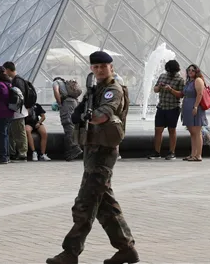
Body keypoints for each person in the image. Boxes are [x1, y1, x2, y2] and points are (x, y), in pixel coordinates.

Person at [46, 51, 138, 264]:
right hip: (93, 149)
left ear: (111, 67)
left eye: (103, 67)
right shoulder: (94, 89)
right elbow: (80, 112)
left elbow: (105, 113)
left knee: (85, 204)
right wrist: (79, 112)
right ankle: (126, 249)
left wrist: (89, 116)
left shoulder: (112, 90)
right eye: (95, 67)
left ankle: (70, 252)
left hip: (103, 152)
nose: (99, 70)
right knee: (105, 204)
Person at [148, 60, 185, 160]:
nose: (170, 73)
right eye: (168, 71)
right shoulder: (162, 76)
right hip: (161, 107)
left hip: (173, 108)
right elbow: (155, 90)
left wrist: (171, 90)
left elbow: (181, 95)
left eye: (172, 71)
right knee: (158, 130)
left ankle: (172, 152)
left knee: (172, 130)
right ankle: (156, 152)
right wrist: (159, 86)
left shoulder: (180, 80)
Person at [3, 62, 29, 162]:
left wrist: (12, 107)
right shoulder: (18, 80)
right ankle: (19, 153)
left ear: (8, 70)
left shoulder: (17, 81)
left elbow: (18, 97)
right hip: (18, 111)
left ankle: (23, 154)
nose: (5, 72)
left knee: (19, 133)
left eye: (5, 70)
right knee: (15, 133)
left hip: (18, 112)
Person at [181, 64, 207, 162]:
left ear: (196, 71)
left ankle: (198, 154)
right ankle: (193, 154)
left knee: (197, 132)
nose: (190, 72)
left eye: (192, 70)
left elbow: (200, 94)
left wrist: (195, 106)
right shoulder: (189, 82)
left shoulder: (198, 80)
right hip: (188, 107)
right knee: (192, 132)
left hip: (195, 107)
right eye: (189, 70)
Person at [53, 76, 83, 161]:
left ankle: (75, 148)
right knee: (73, 124)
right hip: (74, 102)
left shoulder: (56, 82)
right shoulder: (66, 84)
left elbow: (56, 91)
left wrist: (59, 103)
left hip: (67, 103)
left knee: (68, 124)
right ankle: (71, 151)